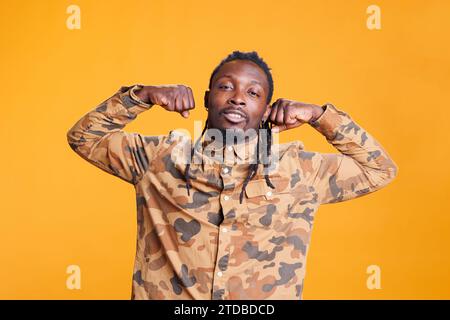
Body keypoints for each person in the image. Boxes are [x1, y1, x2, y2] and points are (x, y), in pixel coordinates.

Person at [67, 50, 398, 300]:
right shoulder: (159, 159)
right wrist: (142, 96)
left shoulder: (298, 170)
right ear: (208, 99)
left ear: (267, 109)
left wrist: (319, 115)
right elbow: (83, 138)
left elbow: (379, 169)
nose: (238, 97)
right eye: (226, 87)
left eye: (253, 93)